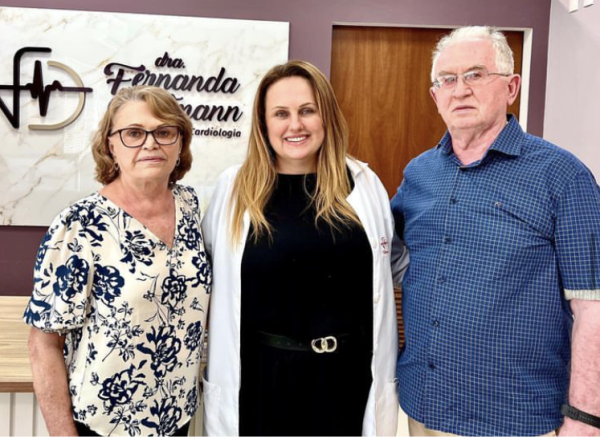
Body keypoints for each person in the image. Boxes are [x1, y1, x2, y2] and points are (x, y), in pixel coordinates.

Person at [391, 26, 600, 436]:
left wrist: (586, 419)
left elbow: (592, 307)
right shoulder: (419, 174)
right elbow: (383, 254)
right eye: (447, 80)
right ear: (435, 96)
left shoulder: (563, 176)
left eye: (475, 74)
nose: (460, 90)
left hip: (514, 419)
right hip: (422, 410)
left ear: (512, 87)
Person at [201, 60, 401, 436]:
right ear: (263, 124)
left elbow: (395, 263)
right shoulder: (233, 188)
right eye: (281, 113)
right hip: (260, 383)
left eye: (307, 110)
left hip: (347, 381)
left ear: (326, 116)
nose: (295, 125)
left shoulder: (363, 183)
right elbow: (204, 274)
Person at [23, 85, 212, 436]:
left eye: (164, 132)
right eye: (134, 133)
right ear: (111, 145)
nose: (151, 143)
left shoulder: (193, 207)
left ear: (181, 142)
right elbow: (44, 343)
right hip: (104, 423)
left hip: (176, 416)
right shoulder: (80, 224)